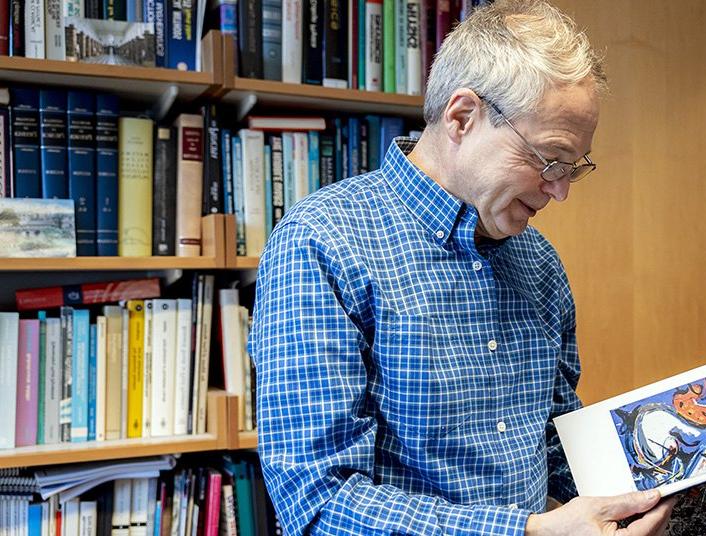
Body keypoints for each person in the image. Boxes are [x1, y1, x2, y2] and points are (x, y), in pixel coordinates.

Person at [249, 1, 675, 534]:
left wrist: (653, 486)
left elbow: (556, 448)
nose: (560, 192)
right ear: (462, 117)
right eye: (548, 161)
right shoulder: (322, 243)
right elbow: (318, 505)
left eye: (573, 169)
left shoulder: (539, 262)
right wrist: (529, 532)